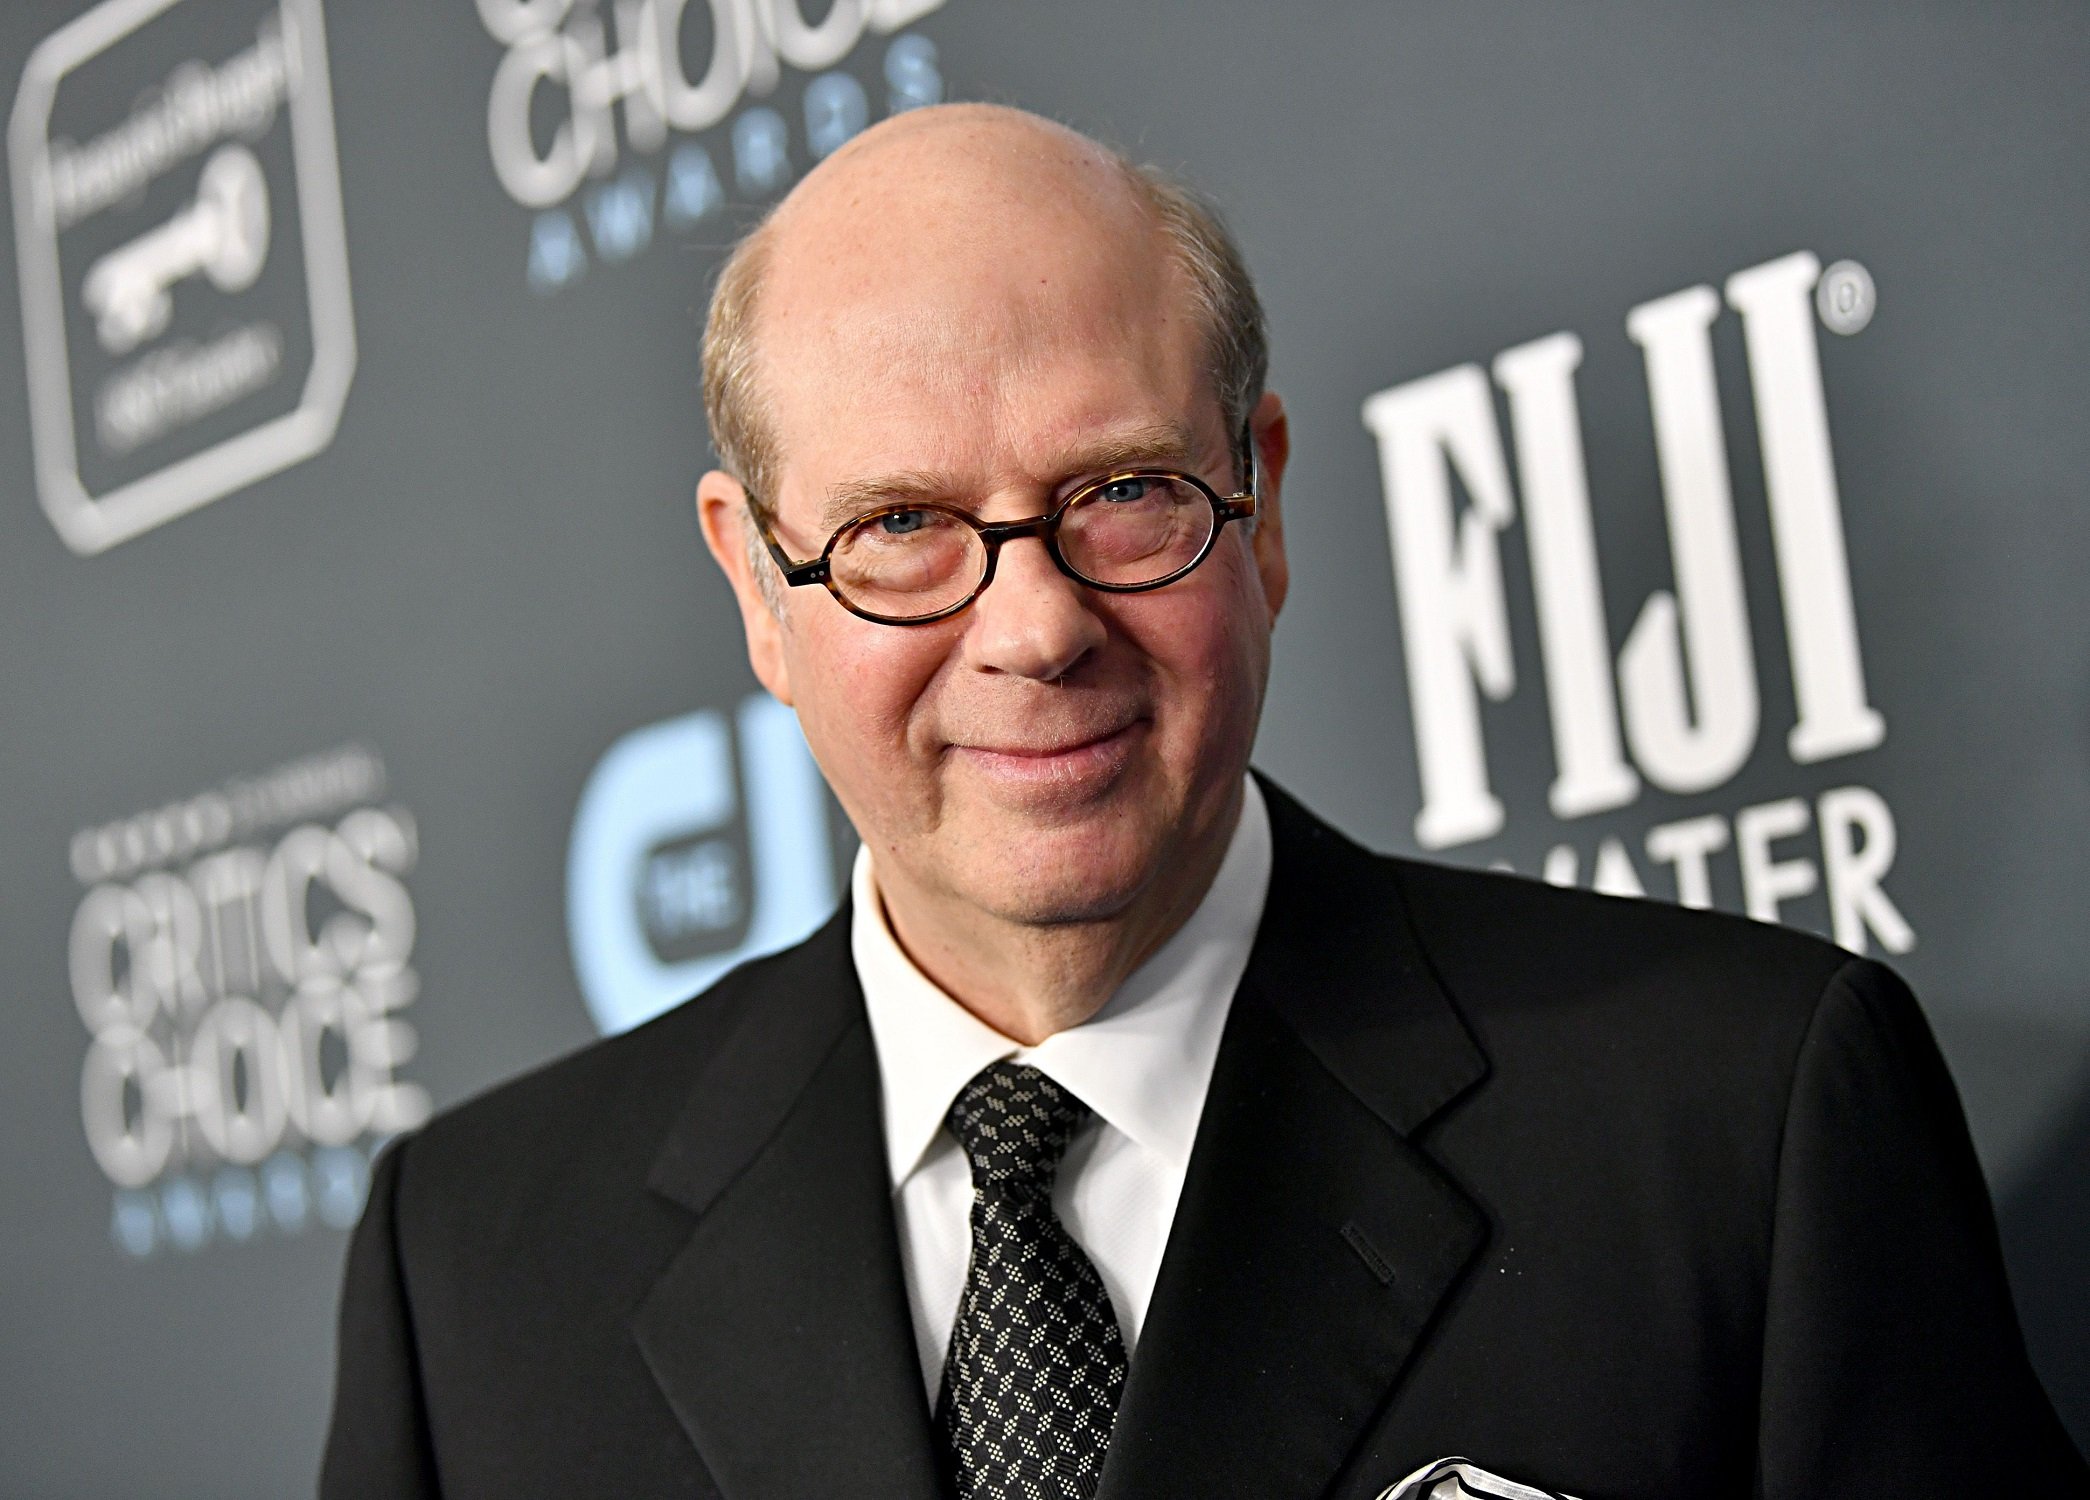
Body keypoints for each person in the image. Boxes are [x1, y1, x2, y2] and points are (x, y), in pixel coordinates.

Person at [320, 104, 2085, 1499]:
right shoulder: (469, 1270)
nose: (1033, 628)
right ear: (757, 593)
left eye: (1123, 491)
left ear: (1266, 503)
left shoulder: (1742, 1118)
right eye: (899, 528)